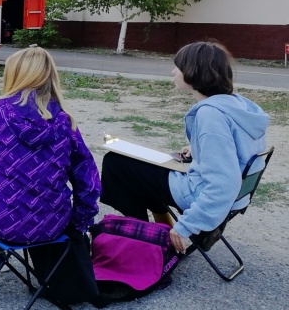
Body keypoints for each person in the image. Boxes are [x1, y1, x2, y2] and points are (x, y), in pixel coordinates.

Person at [0, 47, 101, 291]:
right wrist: (78, 223)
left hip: (0, 221)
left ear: (15, 75)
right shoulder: (66, 121)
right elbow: (89, 181)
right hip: (52, 225)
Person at [100, 41, 269, 254]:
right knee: (138, 165)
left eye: (178, 67)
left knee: (115, 163)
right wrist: (197, 147)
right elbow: (236, 148)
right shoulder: (236, 104)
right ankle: (154, 227)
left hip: (200, 193)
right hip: (239, 195)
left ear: (193, 72)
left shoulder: (211, 116)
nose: (173, 72)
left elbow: (223, 182)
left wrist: (187, 225)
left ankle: (144, 237)